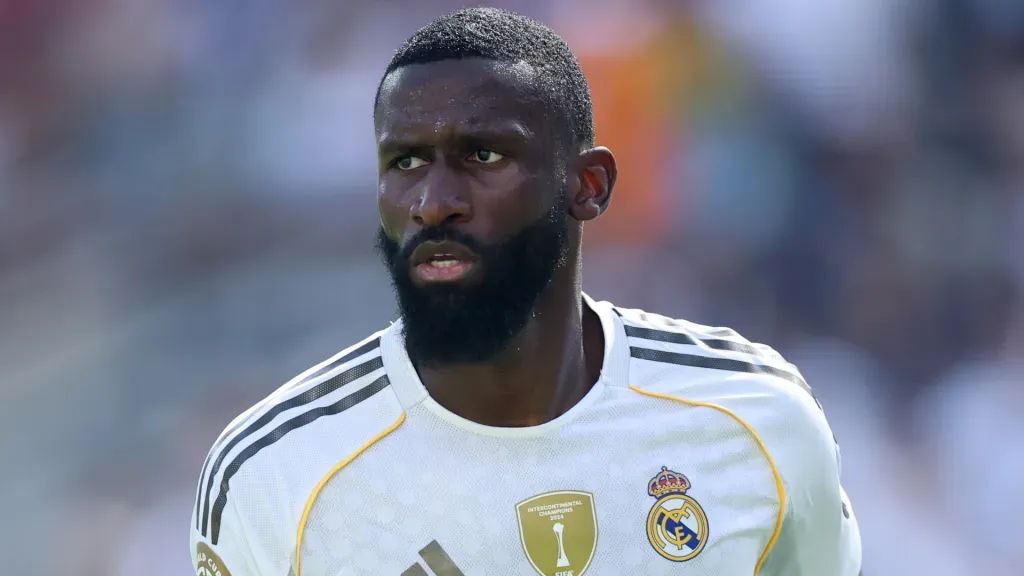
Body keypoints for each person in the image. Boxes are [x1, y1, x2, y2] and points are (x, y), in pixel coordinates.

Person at [190, 8, 861, 576]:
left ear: (588, 185)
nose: (434, 202)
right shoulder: (275, 475)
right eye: (405, 162)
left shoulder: (756, 420)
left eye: (483, 157)